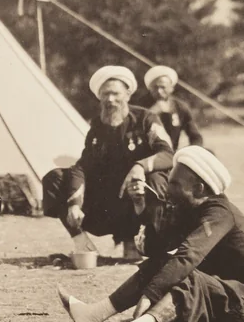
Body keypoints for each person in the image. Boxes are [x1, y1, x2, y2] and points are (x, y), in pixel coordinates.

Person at [58, 146, 244, 322]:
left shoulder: (219, 212)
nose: (167, 189)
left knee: (188, 275)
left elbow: (188, 256)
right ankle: (96, 314)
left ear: (199, 188)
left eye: (175, 184)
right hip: (220, 297)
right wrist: (141, 207)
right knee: (164, 264)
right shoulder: (190, 207)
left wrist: (151, 294)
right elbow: (155, 250)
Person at [41, 65, 174, 262]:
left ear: (128, 94)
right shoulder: (97, 126)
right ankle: (82, 244)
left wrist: (140, 166)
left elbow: (168, 154)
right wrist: (74, 203)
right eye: (105, 95)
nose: (110, 100)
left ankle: (144, 240)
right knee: (55, 178)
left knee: (155, 180)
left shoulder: (146, 119)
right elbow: (82, 166)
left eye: (115, 94)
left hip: (137, 200)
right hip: (106, 205)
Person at [143, 64, 203, 149]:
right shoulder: (141, 105)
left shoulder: (180, 107)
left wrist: (189, 152)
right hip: (146, 155)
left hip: (170, 154)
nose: (159, 91)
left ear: (171, 88)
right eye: (155, 87)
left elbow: (196, 137)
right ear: (150, 89)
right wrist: (151, 113)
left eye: (163, 87)